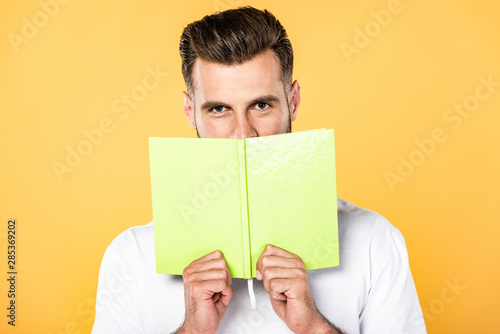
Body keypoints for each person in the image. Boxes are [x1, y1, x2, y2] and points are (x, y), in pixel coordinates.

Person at [92, 6, 426, 334]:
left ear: (293, 101)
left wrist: (312, 327)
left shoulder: (373, 240)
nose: (243, 133)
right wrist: (193, 330)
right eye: (219, 109)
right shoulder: (130, 255)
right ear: (190, 111)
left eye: (261, 105)